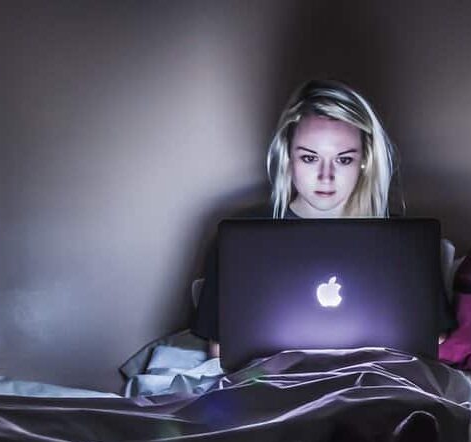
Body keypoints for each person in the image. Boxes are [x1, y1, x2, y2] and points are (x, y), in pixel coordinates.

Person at [192, 79, 455, 357]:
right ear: (288, 156)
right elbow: (221, 350)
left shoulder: (404, 240)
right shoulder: (240, 240)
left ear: (364, 160)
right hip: (276, 388)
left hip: (374, 383)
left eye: (343, 160)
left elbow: (433, 340)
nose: (326, 176)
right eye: (309, 158)